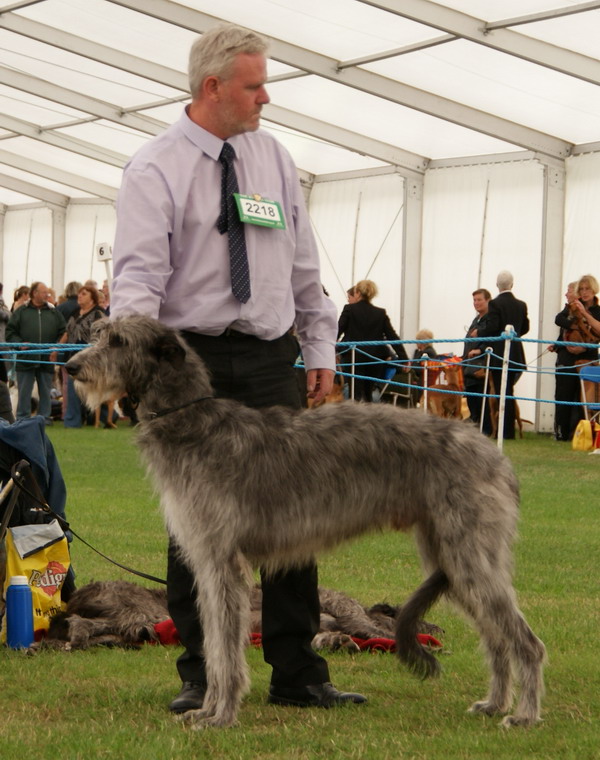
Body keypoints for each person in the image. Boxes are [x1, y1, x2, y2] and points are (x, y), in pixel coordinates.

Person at [109, 24, 365, 714]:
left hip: (267, 355)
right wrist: (138, 374)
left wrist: (318, 350)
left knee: (294, 514)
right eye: (255, 85)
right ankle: (202, 671)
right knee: (194, 528)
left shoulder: (273, 159)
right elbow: (135, 283)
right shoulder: (154, 168)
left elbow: (303, 262)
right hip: (188, 364)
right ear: (213, 86)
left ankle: (298, 670)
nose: (266, 97)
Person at [478, 271, 529, 440]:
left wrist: (479, 332)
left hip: (500, 355)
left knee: (501, 392)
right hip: (516, 354)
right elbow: (525, 328)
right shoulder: (521, 305)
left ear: (497, 285)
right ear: (512, 284)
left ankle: (505, 431)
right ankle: (508, 430)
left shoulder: (495, 304)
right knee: (509, 391)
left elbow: (492, 327)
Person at [337, 279, 408, 402]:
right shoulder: (380, 313)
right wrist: (404, 358)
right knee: (368, 392)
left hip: (354, 357)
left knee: (355, 393)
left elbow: (337, 331)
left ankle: (354, 418)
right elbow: (392, 336)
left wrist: (329, 350)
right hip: (374, 359)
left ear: (358, 293)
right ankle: (370, 417)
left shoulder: (349, 309)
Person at [6, 282, 66, 423]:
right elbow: (10, 333)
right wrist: (19, 344)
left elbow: (64, 331)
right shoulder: (21, 312)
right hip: (25, 359)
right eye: (44, 292)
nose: (47, 295)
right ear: (35, 294)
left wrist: (56, 348)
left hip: (46, 359)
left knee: (45, 391)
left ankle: (44, 417)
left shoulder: (54, 312)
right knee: (24, 391)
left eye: (48, 293)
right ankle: (23, 418)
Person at [52, 285, 106, 428]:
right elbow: (67, 333)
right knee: (73, 388)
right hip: (74, 358)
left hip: (91, 358)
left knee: (91, 390)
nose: (79, 296)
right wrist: (57, 349)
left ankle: (105, 416)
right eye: (79, 294)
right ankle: (72, 421)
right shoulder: (75, 313)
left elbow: (105, 335)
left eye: (84, 294)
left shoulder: (99, 314)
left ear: (92, 298)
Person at [554, 276, 600, 440]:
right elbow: (558, 319)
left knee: (587, 399)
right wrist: (573, 326)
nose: (584, 292)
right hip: (567, 358)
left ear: (594, 289)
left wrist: (584, 315)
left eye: (587, 289)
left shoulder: (597, 310)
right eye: (581, 289)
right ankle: (560, 434)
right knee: (563, 396)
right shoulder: (573, 306)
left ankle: (586, 435)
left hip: (588, 358)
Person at [462, 288, 492, 434]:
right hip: (469, 368)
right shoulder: (476, 320)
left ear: (488, 300)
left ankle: (485, 431)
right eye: (474, 300)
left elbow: (492, 341)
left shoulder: (491, 320)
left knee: (483, 405)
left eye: (479, 300)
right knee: (472, 404)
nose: (476, 303)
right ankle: (475, 432)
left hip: (480, 369)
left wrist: (480, 350)